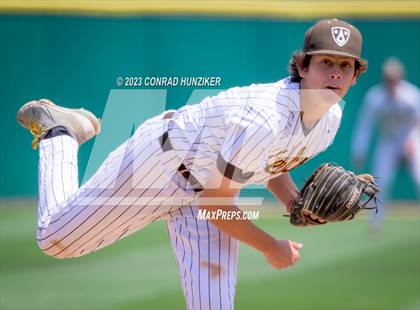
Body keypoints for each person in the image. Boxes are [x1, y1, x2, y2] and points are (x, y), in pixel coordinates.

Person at [17, 19, 368, 309]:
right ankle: (60, 132)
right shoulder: (266, 118)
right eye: (325, 63)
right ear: (303, 67)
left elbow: (271, 163)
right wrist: (270, 246)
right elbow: (217, 204)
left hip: (207, 189)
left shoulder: (329, 119)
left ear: (355, 76)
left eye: (344, 66)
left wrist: (292, 202)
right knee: (54, 240)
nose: (335, 74)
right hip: (161, 164)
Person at [351, 58, 420, 231]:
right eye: (389, 77)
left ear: (401, 77)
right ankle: (375, 222)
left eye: (395, 77)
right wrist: (359, 150)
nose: (392, 81)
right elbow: (364, 125)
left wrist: (412, 141)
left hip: (410, 138)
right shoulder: (376, 97)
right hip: (388, 141)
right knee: (380, 182)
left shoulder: (411, 94)